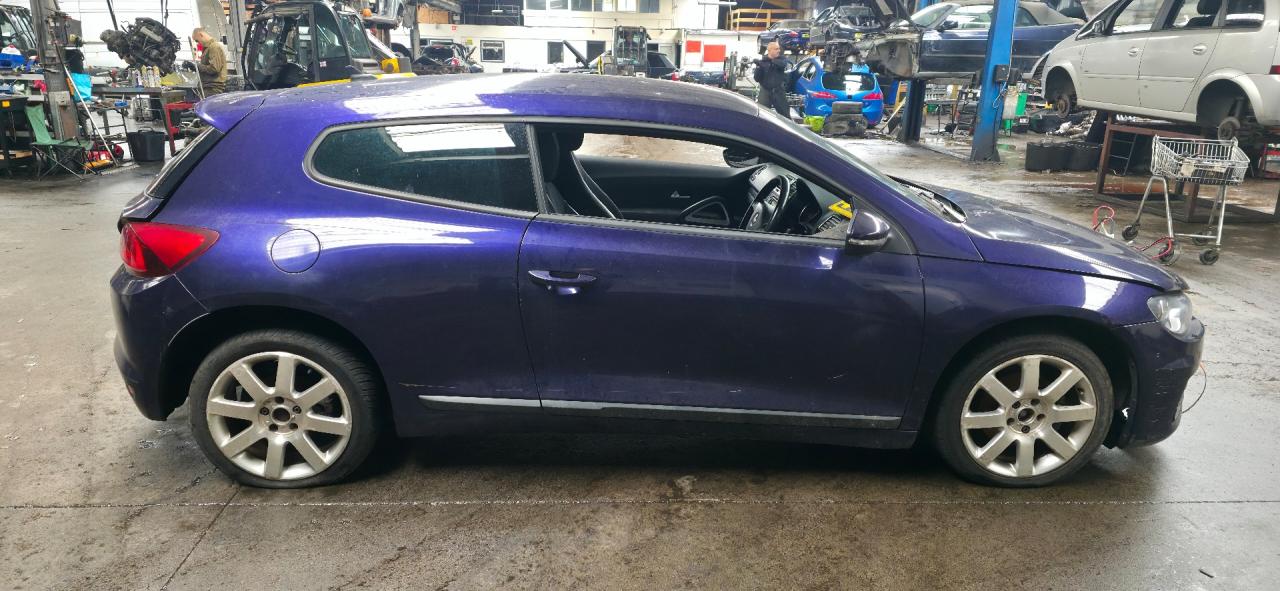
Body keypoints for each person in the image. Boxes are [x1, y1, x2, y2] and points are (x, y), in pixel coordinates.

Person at [753, 41, 791, 119]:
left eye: (779, 49)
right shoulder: (763, 62)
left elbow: (782, 65)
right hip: (765, 91)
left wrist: (769, 60)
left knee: (785, 115)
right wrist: (758, 67)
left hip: (778, 91)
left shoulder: (782, 59)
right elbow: (757, 78)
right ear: (770, 50)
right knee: (762, 115)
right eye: (776, 49)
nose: (779, 51)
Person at [192, 28, 227, 96]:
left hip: (213, 88)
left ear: (201, 35)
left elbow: (214, 68)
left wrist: (197, 66)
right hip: (208, 87)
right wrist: (194, 67)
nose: (198, 43)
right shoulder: (208, 48)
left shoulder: (214, 47)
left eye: (197, 40)